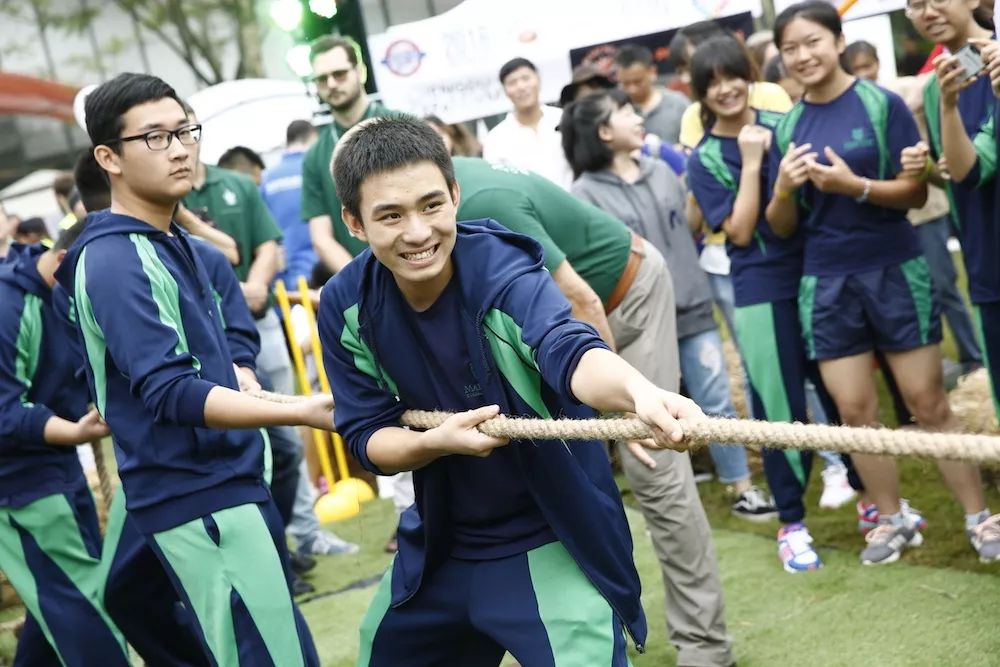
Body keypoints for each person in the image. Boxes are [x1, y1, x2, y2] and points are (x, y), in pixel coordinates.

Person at [320, 114, 705, 666]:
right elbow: (366, 438)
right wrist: (435, 443)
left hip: (551, 538)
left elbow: (567, 348)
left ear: (455, 194)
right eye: (390, 215)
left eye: (432, 205)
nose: (418, 232)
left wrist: (638, 391)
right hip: (441, 547)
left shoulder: (503, 267)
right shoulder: (344, 302)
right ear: (354, 223)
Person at [55, 72, 332, 665]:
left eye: (185, 131)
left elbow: (221, 344)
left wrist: (242, 368)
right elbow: (171, 391)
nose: (180, 148)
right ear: (109, 157)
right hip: (200, 496)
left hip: (213, 484)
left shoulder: (169, 242)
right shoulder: (116, 258)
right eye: (155, 137)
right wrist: (305, 411)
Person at [425, 144, 733, 663]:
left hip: (622, 298)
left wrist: (618, 412)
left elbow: (581, 301)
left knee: (657, 464)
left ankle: (705, 645)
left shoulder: (483, 206)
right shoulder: (424, 213)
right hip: (554, 336)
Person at [766, 1, 994, 565]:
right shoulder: (788, 124)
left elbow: (915, 194)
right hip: (825, 280)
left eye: (812, 42)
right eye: (790, 48)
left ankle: (979, 517)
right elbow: (782, 226)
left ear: (838, 40)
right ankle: (892, 520)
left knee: (927, 402)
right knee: (854, 411)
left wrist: (854, 186)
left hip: (895, 267)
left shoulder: (881, 103)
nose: (802, 56)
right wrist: (783, 191)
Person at [686, 37, 861, 572]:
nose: (725, 89)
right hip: (759, 288)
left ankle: (872, 500)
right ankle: (792, 522)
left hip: (816, 273)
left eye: (732, 75)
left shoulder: (785, 122)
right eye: (712, 82)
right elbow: (738, 232)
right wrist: (754, 162)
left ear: (750, 74)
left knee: (843, 394)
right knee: (776, 406)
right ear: (701, 94)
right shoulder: (706, 157)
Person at [562, 89, 778, 521]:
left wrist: (696, 197)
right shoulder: (583, 195)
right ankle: (668, 497)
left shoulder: (661, 170)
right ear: (604, 132)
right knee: (649, 407)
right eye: (624, 112)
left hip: (692, 301)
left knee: (714, 393)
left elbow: (689, 224)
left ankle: (741, 485)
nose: (637, 117)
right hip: (637, 320)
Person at [0, 222, 131, 666]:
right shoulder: (8, 306)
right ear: (61, 264)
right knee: (81, 607)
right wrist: (74, 431)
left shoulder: (57, 294)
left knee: (61, 600)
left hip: (57, 466)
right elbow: (4, 411)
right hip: (20, 484)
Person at [901, 0, 991, 379]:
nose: (928, 11)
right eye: (916, 4)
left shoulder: (994, 55)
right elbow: (956, 173)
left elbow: (975, 166)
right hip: (982, 254)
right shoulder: (938, 87)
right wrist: (926, 170)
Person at [303, 35, 396, 275]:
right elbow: (321, 238)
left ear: (360, 72)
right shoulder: (314, 156)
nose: (332, 83)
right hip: (362, 277)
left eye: (339, 74)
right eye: (322, 79)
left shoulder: (402, 125)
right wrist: (364, 280)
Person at [482, 57, 574, 190]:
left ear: (538, 80)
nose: (521, 87)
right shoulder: (495, 140)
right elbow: (500, 186)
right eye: (512, 82)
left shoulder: (564, 118)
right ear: (505, 90)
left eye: (526, 78)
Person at [261, 119, 320, 288]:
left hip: (284, 275)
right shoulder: (318, 170)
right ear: (313, 137)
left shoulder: (267, 179)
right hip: (322, 269)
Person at [614, 44, 690, 146]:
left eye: (637, 82)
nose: (632, 89)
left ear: (652, 72)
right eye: (625, 83)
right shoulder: (616, 112)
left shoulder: (678, 104)